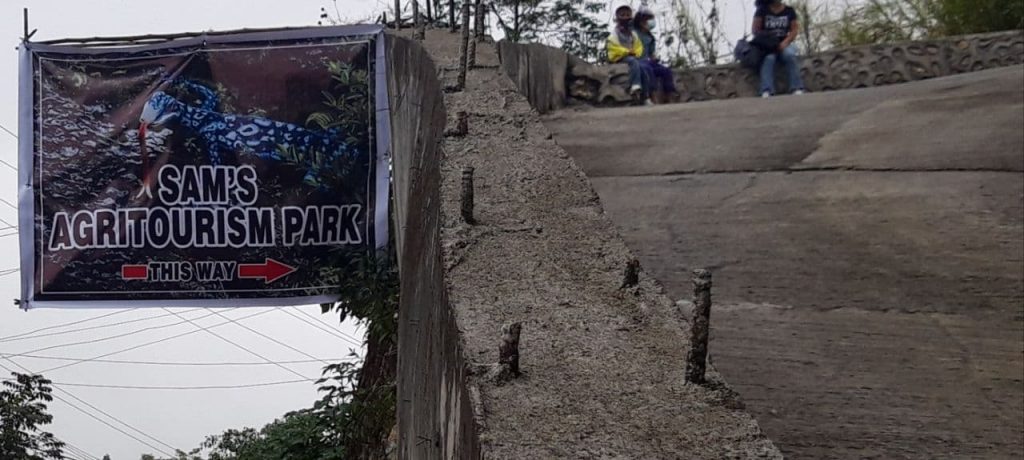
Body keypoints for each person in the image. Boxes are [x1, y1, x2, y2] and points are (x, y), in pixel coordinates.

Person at [752, 0, 806, 97]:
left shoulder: (789, 11)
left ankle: (797, 87)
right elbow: (755, 30)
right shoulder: (762, 10)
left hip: (785, 43)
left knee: (789, 55)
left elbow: (794, 30)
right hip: (768, 46)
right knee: (769, 59)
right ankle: (766, 89)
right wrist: (768, 41)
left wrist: (785, 42)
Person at [607, 5, 652, 105]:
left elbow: (638, 46)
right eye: (622, 15)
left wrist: (635, 52)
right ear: (618, 18)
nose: (625, 17)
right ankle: (635, 85)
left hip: (632, 56)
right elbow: (613, 47)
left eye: (627, 15)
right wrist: (626, 52)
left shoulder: (632, 34)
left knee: (643, 68)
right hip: (619, 57)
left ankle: (646, 96)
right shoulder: (614, 34)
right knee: (633, 62)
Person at [634, 7, 679, 102]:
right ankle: (653, 94)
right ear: (641, 22)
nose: (651, 22)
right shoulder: (634, 33)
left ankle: (670, 94)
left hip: (648, 61)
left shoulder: (650, 37)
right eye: (648, 19)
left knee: (665, 71)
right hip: (638, 61)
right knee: (648, 70)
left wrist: (655, 59)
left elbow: (651, 54)